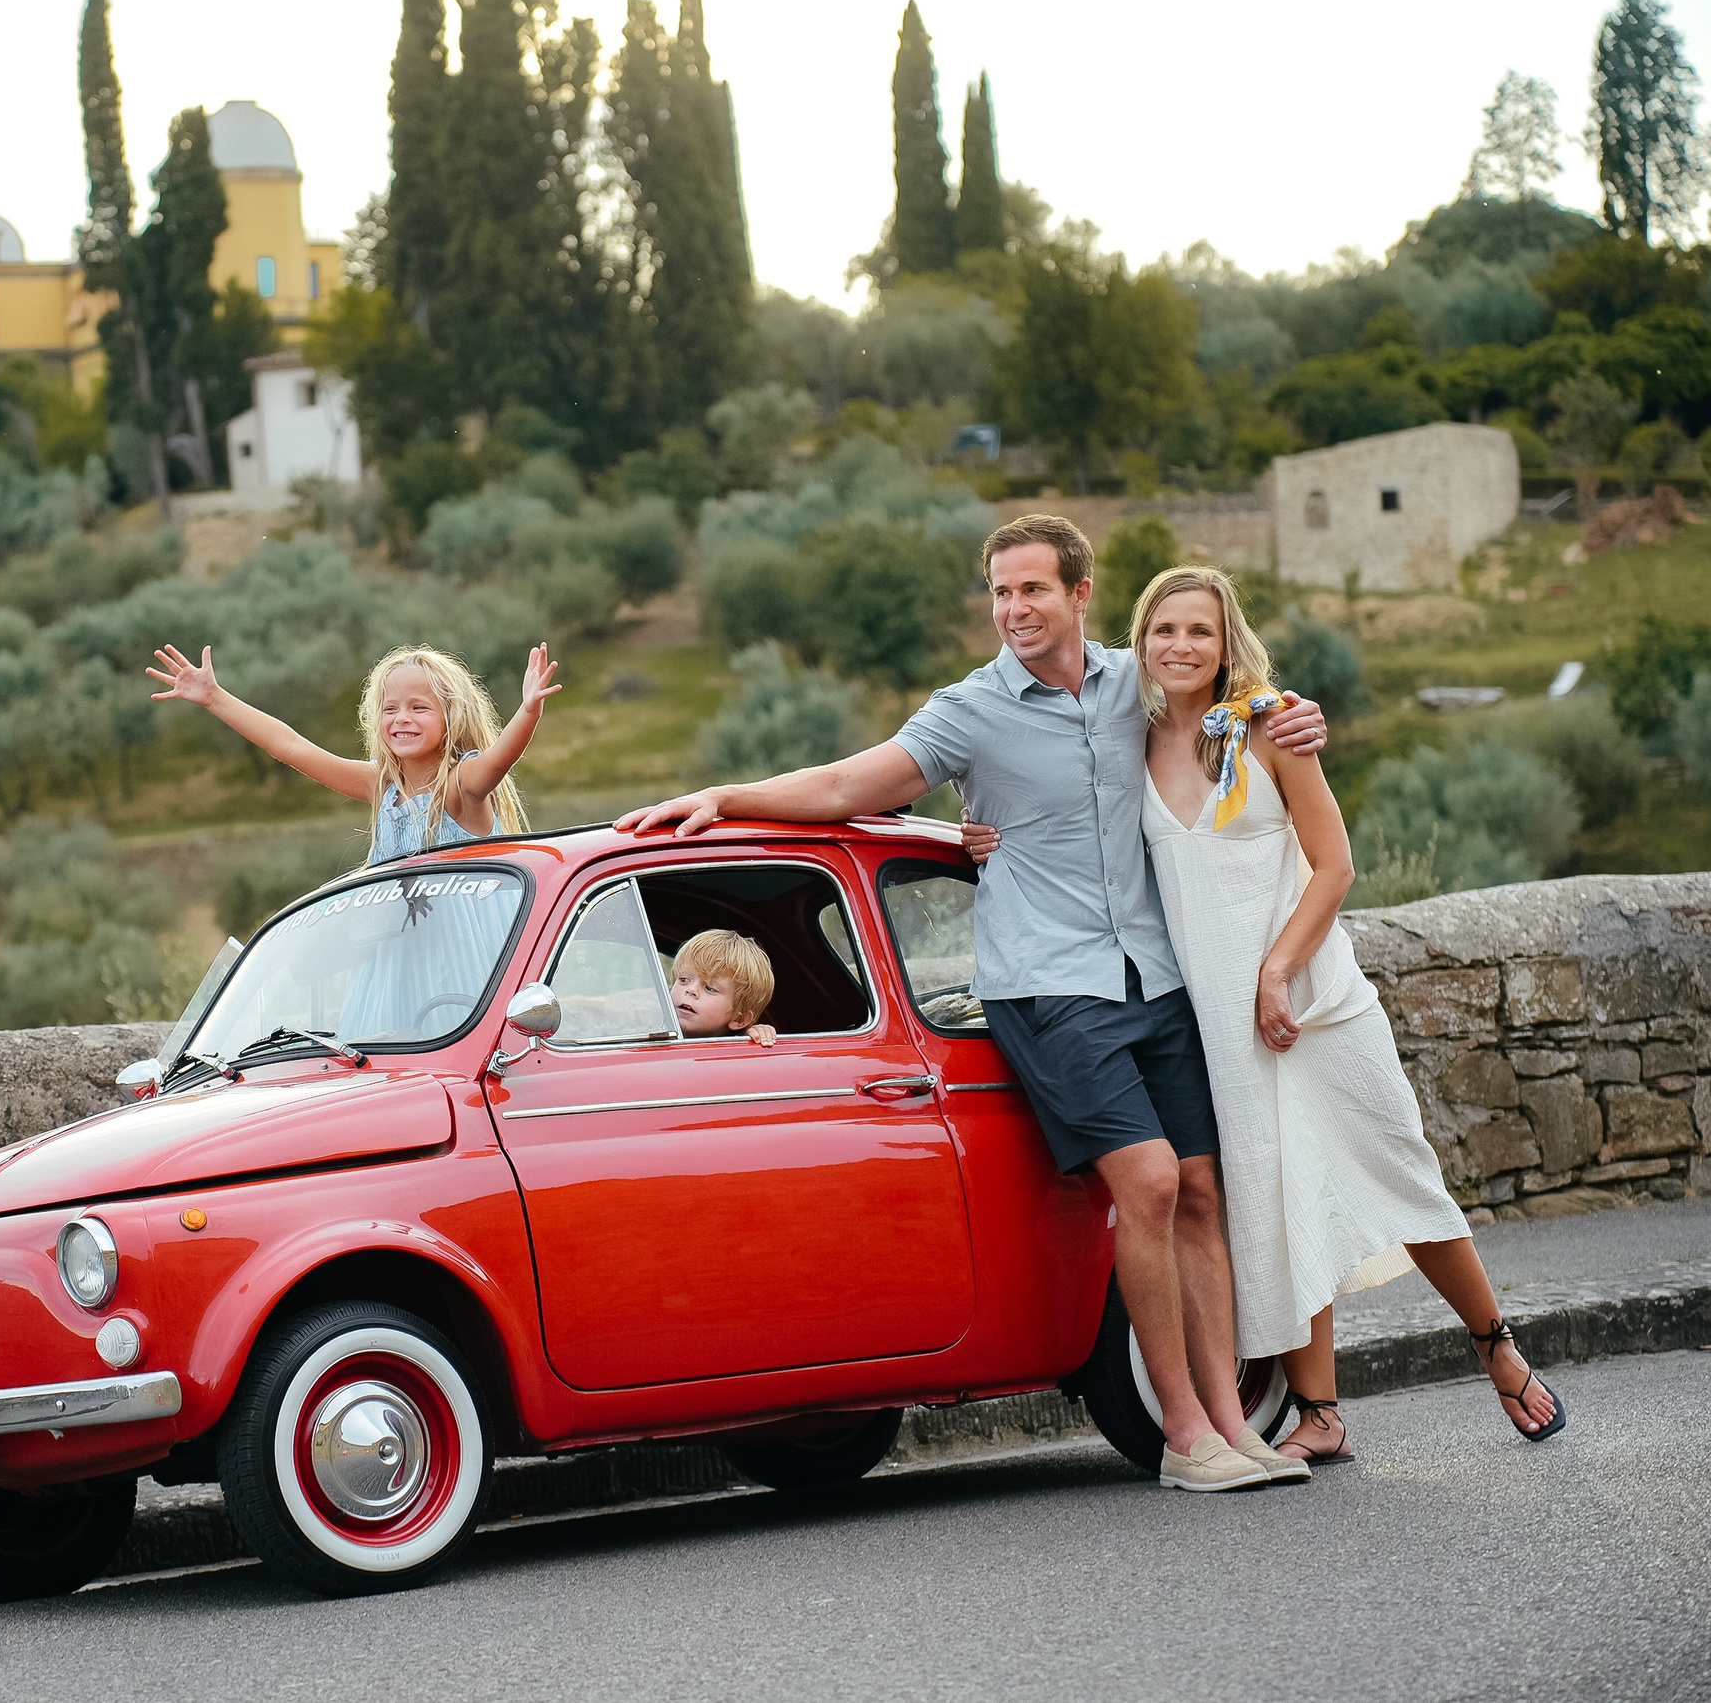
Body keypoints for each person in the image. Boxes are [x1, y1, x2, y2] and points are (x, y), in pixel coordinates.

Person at [618, 513, 1328, 1492]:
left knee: (1204, 1192)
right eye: (999, 592)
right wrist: (725, 797)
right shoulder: (969, 711)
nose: (1012, 608)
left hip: (1154, 975)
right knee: (1151, 1185)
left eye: (1031, 589)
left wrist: (1298, 717)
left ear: (1080, 595)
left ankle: (1229, 1422)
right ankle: (1181, 1436)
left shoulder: (1137, 684)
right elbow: (841, 783)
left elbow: (1234, 703)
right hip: (1047, 984)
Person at [965, 565, 1565, 1462]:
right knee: (1275, 1199)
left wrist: (1279, 970)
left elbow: (1335, 866)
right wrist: (979, 831)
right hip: (1215, 1019)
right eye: (1163, 630)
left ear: (1225, 641)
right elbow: (1058, 799)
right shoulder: (1126, 735)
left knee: (1402, 1170)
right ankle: (1320, 1412)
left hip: (1313, 999)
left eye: (1198, 632)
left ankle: (1498, 1347)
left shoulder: (1268, 726)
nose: (1178, 647)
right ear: (1140, 640)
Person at [149, 641, 559, 864]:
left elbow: (500, 759)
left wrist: (527, 711)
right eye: (390, 709)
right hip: (394, 965)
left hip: (469, 966)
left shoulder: (461, 785)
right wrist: (215, 697)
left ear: (452, 716)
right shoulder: (380, 785)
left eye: (419, 708)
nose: (402, 719)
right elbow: (290, 746)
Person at [669, 929, 780, 1045]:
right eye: (683, 980)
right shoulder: (651, 1022)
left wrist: (751, 1039)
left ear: (739, 1019)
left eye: (709, 988)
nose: (691, 990)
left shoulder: (734, 1055)